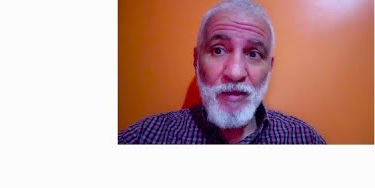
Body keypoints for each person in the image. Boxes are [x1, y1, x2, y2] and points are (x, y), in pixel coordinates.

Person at [118, 0, 325, 144]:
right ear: (196, 60)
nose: (235, 73)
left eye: (253, 54)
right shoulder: (146, 138)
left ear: (269, 67)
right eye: (218, 50)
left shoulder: (304, 141)